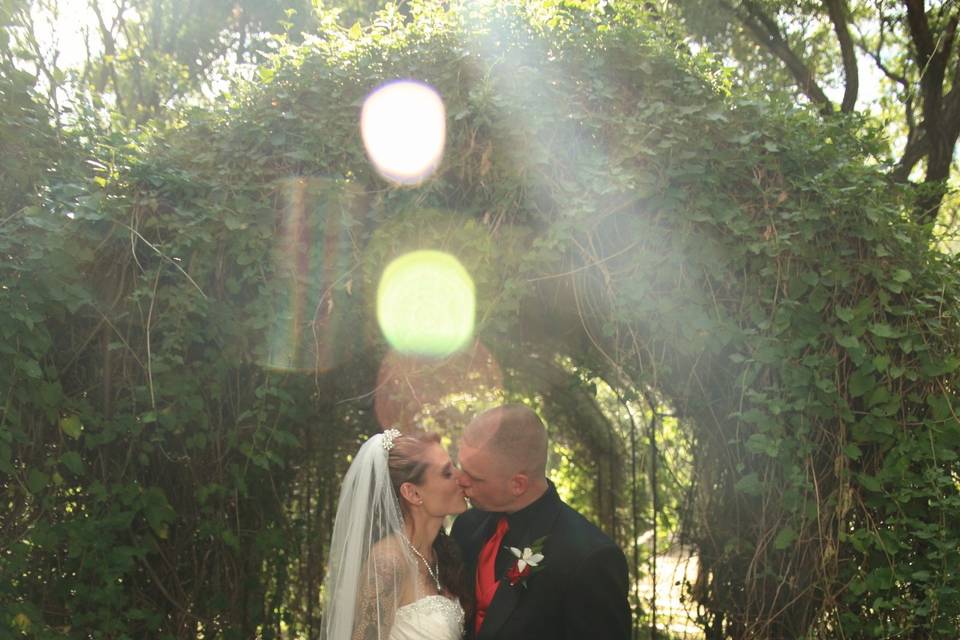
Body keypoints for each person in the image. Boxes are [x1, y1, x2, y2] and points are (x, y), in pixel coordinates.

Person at [451, 404, 631, 640]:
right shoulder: (466, 526)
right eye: (462, 467)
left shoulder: (590, 558)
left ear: (518, 484)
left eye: (474, 477)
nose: (460, 480)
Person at [321, 429, 473, 640]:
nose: (461, 478)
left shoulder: (439, 552)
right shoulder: (387, 563)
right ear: (413, 493)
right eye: (447, 473)